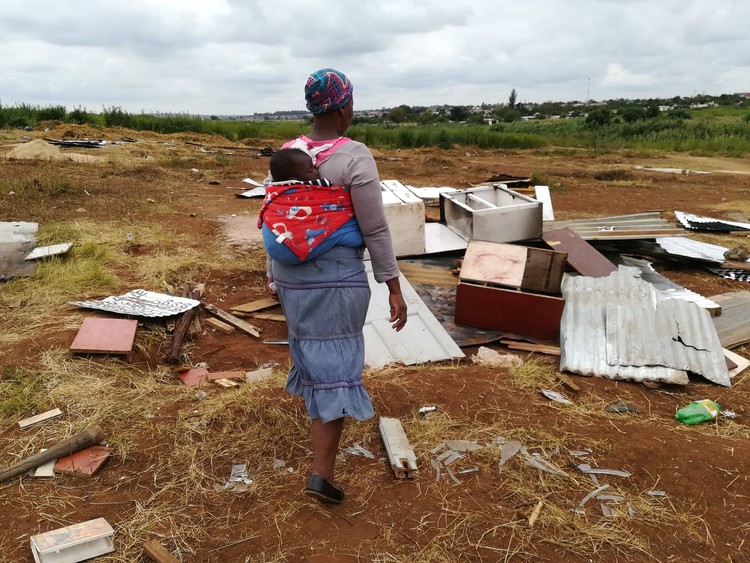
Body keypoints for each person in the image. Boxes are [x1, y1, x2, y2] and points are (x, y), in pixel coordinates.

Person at [261, 68, 407, 504]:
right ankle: (320, 475)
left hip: (292, 279)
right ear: (344, 107)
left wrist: (272, 271)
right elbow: (375, 229)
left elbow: (276, 216)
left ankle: (320, 462)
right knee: (338, 370)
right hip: (336, 279)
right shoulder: (354, 156)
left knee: (314, 356)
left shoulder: (288, 152)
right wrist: (392, 285)